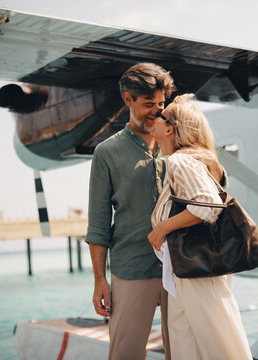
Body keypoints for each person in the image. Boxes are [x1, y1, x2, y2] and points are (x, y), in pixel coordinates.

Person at [148, 94, 253, 359]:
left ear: (170, 128)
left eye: (162, 115)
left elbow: (206, 205)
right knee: (191, 342)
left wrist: (161, 229)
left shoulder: (180, 161)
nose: (155, 115)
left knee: (218, 343)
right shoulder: (192, 159)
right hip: (188, 267)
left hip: (195, 267)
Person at [85, 62, 175, 360]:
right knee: (126, 354)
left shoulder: (176, 142)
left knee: (183, 350)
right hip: (132, 269)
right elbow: (98, 224)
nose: (157, 111)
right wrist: (100, 280)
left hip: (181, 267)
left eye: (161, 104)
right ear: (128, 100)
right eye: (149, 104)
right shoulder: (106, 153)